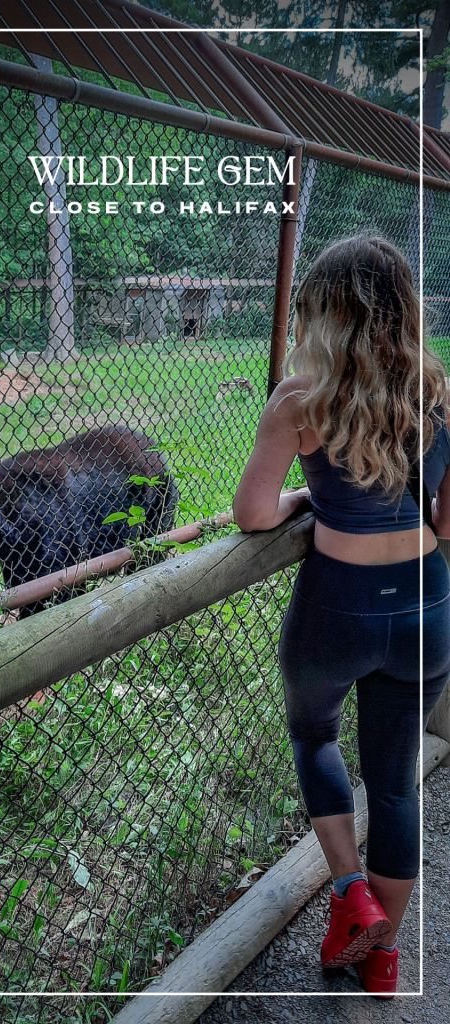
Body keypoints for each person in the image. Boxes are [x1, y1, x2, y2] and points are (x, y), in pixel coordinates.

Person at [232, 234, 450, 998]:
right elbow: (448, 523)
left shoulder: (300, 399)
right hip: (426, 604)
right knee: (395, 785)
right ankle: (383, 959)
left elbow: (254, 513)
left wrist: (303, 497)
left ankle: (350, 895)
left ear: (322, 313)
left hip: (337, 610)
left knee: (314, 734)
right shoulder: (439, 390)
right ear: (401, 309)